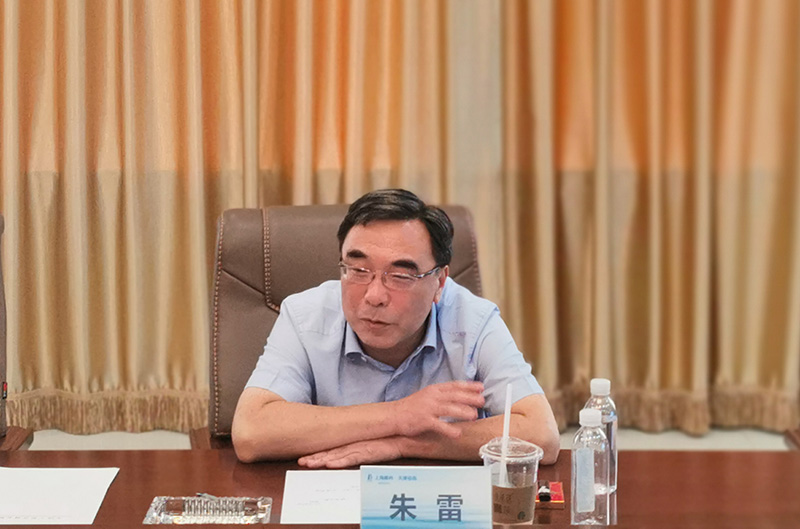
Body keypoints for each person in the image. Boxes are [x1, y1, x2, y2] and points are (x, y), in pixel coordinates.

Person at [232, 189, 560, 467]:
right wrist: (399, 415)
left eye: (401, 276)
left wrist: (405, 443)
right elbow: (250, 431)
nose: (374, 296)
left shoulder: (474, 321)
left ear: (439, 283)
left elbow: (541, 435)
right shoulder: (305, 316)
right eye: (358, 270)